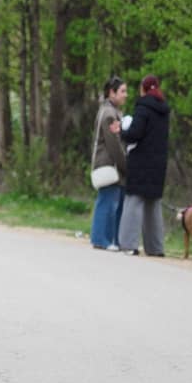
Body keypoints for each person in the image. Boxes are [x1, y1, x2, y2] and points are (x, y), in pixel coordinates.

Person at [112, 74, 170, 256]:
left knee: (134, 201)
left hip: (141, 161)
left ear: (143, 89)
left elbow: (135, 133)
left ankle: (129, 244)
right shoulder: (164, 110)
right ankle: (155, 247)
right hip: (159, 162)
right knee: (153, 204)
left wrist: (122, 131)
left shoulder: (143, 108)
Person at [89, 75, 128, 251]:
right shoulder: (109, 115)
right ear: (111, 93)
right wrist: (125, 165)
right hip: (108, 163)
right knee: (107, 201)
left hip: (109, 163)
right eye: (122, 91)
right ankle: (101, 239)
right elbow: (114, 145)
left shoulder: (108, 111)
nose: (126, 95)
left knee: (109, 200)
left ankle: (107, 239)